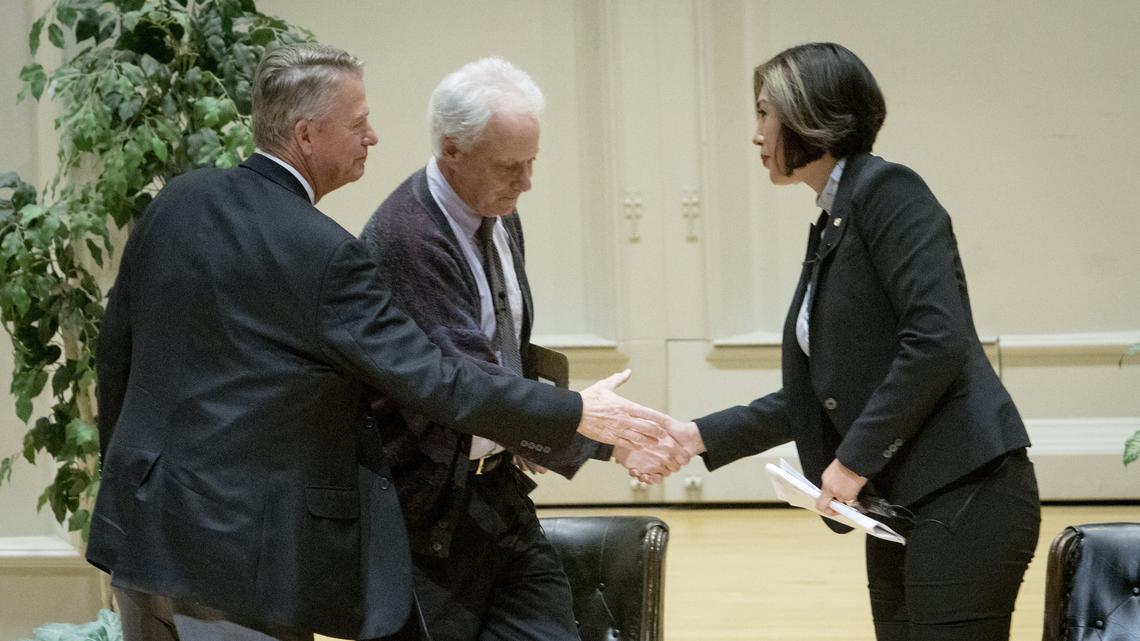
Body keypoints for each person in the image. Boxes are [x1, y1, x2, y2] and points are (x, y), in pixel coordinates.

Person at [88, 43, 668, 641]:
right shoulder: (326, 253)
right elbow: (436, 381)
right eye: (359, 123)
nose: (374, 138)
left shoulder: (177, 201)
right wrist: (576, 413)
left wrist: (124, 478)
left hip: (141, 529)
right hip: (241, 560)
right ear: (307, 135)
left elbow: (116, 354)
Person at [666, 43, 1041, 641]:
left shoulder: (889, 191)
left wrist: (851, 461)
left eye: (764, 113)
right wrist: (699, 435)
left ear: (808, 115)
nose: (756, 132)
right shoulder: (837, 214)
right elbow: (829, 390)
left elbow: (937, 339)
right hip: (903, 502)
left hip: (968, 493)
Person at [359, 57, 686, 641]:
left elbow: (505, 354)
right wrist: (591, 431)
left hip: (496, 491)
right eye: (510, 165)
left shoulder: (499, 212)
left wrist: (592, 436)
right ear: (452, 150)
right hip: (426, 515)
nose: (527, 181)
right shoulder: (408, 237)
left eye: (532, 162)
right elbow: (466, 384)